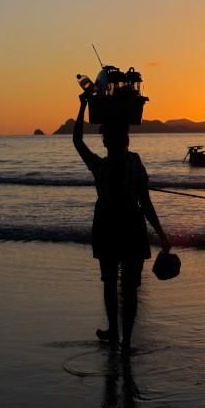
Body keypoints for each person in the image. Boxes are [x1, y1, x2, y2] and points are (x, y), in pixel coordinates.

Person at [73, 93, 171, 351]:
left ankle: (116, 333)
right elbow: (146, 202)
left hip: (107, 225)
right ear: (125, 141)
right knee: (129, 287)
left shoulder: (100, 166)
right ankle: (125, 338)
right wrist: (161, 234)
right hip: (131, 226)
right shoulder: (134, 163)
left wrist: (83, 105)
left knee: (109, 281)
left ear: (107, 142)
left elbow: (77, 141)